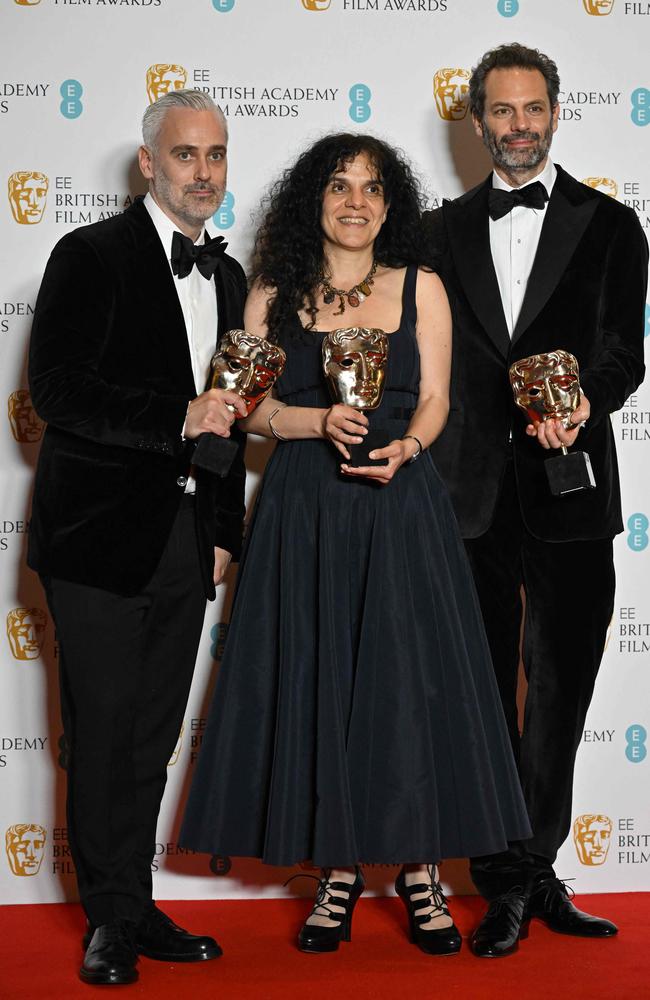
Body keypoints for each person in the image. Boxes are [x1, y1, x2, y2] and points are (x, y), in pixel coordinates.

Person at [181, 132, 531, 956]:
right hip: (305, 504)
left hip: (401, 505)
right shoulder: (272, 292)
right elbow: (246, 409)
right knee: (321, 681)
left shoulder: (424, 287)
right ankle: (335, 872)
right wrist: (310, 422)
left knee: (405, 687)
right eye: (340, 186)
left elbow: (438, 397)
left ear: (390, 204)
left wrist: (407, 446)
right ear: (316, 198)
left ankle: (419, 873)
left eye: (373, 189)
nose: (356, 202)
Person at [422, 42, 647, 957]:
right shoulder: (435, 232)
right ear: (477, 122)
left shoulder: (612, 224)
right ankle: (501, 877)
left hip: (570, 488)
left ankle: (534, 864)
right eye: (501, 112)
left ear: (556, 112)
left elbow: (622, 355)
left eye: (533, 108)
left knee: (560, 687)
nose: (518, 126)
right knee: (477, 686)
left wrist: (584, 403)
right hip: (465, 495)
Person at [27, 89, 248, 986]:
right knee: (106, 729)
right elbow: (58, 391)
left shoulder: (230, 279)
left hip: (188, 538)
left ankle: (135, 897)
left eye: (217, 155)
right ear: (149, 163)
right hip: (98, 540)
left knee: (154, 733)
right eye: (187, 155)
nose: (204, 172)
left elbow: (231, 419)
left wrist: (225, 525)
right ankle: (110, 916)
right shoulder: (87, 254)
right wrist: (175, 416)